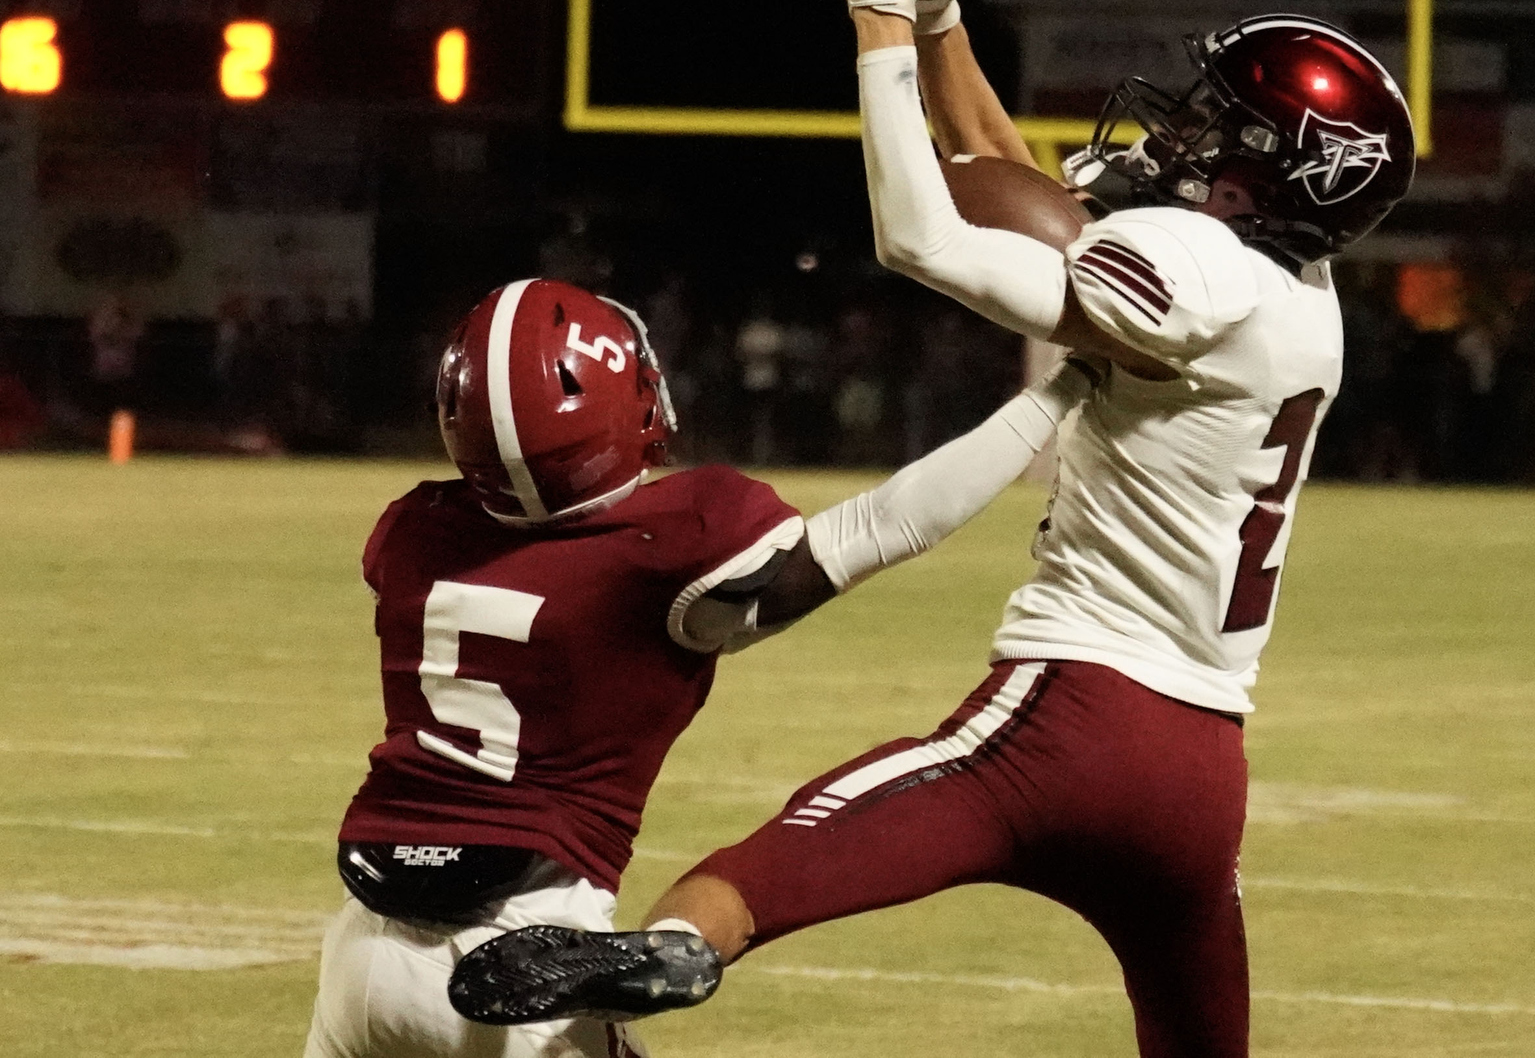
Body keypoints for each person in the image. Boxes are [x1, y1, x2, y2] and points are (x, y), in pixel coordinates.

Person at [447, 0, 1416, 1058]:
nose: (1181, 132)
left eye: (1219, 125)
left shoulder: (1194, 270)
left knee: (815, 838)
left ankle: (681, 945)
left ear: (1269, 175)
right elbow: (1020, 183)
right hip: (1199, 771)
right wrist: (950, 23)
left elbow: (928, 233)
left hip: (1075, 719)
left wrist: (883, 18)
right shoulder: (1294, 290)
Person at [302, 275, 1098, 1058]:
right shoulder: (668, 547)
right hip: (529, 954)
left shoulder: (411, 532)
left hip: (359, 948)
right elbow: (882, 525)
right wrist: (1054, 397)